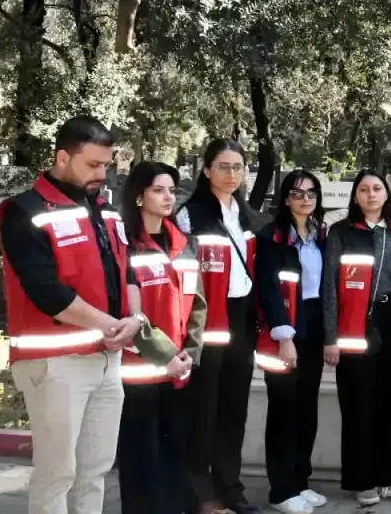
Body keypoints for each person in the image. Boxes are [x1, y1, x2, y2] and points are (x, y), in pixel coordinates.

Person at [0, 115, 144, 514]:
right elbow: (46, 291)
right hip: (55, 364)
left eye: (106, 165)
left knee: (95, 471)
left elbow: (128, 272)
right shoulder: (24, 211)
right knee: (57, 474)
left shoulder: (106, 211)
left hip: (106, 359)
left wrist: (135, 319)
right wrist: (112, 325)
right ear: (62, 158)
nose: (102, 174)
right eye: (93, 165)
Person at [176, 139, 264, 514]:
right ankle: (200, 492)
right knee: (203, 409)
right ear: (207, 170)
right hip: (207, 318)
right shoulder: (190, 215)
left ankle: (231, 487)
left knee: (234, 407)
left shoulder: (247, 216)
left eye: (238, 167)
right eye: (224, 166)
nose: (232, 174)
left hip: (241, 317)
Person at [323, 169, 391, 507]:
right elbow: (329, 287)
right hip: (354, 322)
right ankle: (361, 479)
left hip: (389, 322)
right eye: (364, 189)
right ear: (355, 196)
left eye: (377, 188)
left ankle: (388, 474)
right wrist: (330, 337)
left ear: (386, 193)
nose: (371, 194)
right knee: (358, 404)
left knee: (387, 403)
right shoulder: (341, 233)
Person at [117, 162, 206, 514]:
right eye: (158, 190)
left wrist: (189, 354)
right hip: (139, 372)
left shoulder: (184, 244)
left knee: (174, 454)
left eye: (172, 190)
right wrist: (166, 355)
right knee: (141, 459)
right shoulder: (124, 244)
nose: (169, 197)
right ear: (139, 196)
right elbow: (127, 311)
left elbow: (198, 304)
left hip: (179, 370)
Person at [253, 171, 328, 514]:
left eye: (311, 193)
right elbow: (268, 288)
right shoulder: (272, 236)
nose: (305, 199)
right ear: (285, 199)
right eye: (298, 193)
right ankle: (281, 491)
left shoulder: (319, 234)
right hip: (284, 327)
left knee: (306, 408)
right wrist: (284, 336)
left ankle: (300, 482)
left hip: (314, 324)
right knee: (284, 409)